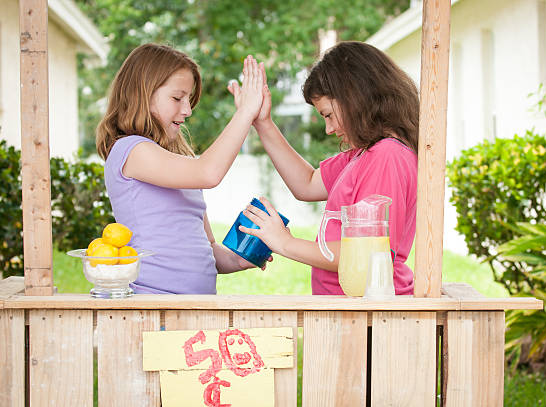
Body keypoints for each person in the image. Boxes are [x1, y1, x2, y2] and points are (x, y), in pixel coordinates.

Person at [233, 41, 419, 296]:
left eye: (328, 114)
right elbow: (307, 183)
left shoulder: (387, 156)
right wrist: (263, 123)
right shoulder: (365, 154)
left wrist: (285, 242)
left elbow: (365, 255)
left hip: (368, 317)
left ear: (356, 97)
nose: (328, 129)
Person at [96, 43, 265, 294]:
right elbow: (208, 173)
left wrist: (239, 259)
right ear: (142, 93)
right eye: (177, 98)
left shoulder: (179, 164)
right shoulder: (130, 150)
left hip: (192, 308)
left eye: (189, 100)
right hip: (152, 305)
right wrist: (246, 112)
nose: (187, 110)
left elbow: (208, 250)